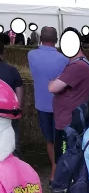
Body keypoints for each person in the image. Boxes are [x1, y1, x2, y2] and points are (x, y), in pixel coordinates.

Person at [27, 26, 68, 178]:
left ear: (40, 39)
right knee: (60, 138)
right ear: (56, 40)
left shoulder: (31, 55)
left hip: (42, 104)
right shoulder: (64, 59)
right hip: (60, 105)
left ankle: (53, 168)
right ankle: (59, 169)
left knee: (49, 139)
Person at [48, 34, 89, 162]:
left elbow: (52, 87)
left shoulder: (77, 66)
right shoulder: (80, 64)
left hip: (68, 123)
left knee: (65, 160)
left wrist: (52, 81)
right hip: (70, 120)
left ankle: (66, 182)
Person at [0, 41, 24, 151]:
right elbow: (19, 96)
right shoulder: (12, 71)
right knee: (12, 144)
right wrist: (18, 110)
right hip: (9, 114)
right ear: (3, 52)